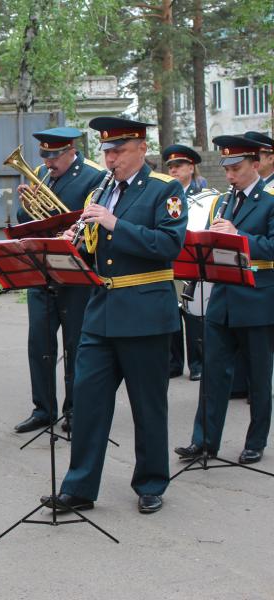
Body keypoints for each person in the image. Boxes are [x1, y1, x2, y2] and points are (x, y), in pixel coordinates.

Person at [44, 117, 187, 514]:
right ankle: (80, 487)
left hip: (144, 313)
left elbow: (169, 244)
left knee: (148, 405)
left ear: (141, 149)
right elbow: (95, 251)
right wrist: (68, 246)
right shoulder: (101, 190)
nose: (110, 159)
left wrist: (114, 223)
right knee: (87, 403)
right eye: (106, 151)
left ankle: (151, 482)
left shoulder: (165, 189)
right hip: (101, 311)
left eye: (118, 151)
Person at [175, 135, 274, 465]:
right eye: (226, 168)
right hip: (222, 297)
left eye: (237, 167)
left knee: (259, 377)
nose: (230, 175)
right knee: (213, 375)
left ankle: (255, 441)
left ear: (255, 165)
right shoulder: (223, 201)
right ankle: (203, 441)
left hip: (257, 299)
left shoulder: (271, 199)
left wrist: (238, 235)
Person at [13, 127, 105, 434]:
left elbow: (96, 224)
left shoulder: (94, 175)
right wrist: (26, 203)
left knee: (76, 343)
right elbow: (25, 219)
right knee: (38, 341)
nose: (49, 165)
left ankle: (76, 409)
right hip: (42, 269)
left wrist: (70, 233)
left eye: (55, 158)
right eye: (45, 157)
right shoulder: (39, 172)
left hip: (76, 270)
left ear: (70, 151)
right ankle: (43, 408)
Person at [163, 144, 204, 382]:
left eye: (178, 166)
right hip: (171, 257)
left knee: (193, 312)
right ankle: (174, 362)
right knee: (173, 310)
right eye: (170, 166)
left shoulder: (203, 194)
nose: (174, 170)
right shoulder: (168, 193)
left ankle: (197, 363)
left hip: (191, 257)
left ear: (191, 167)